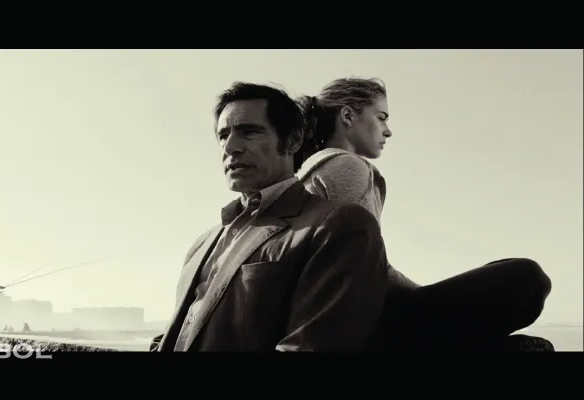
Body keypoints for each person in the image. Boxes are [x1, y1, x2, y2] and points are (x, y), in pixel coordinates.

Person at [294, 77, 554, 351]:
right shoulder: (346, 166)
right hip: (364, 327)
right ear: (348, 116)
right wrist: (425, 297)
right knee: (527, 279)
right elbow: (360, 269)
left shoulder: (312, 172)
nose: (388, 131)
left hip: (341, 319)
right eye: (381, 118)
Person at [150, 82, 390, 352]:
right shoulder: (202, 243)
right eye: (223, 135)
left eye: (249, 132)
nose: (231, 147)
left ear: (293, 141)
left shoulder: (338, 225)